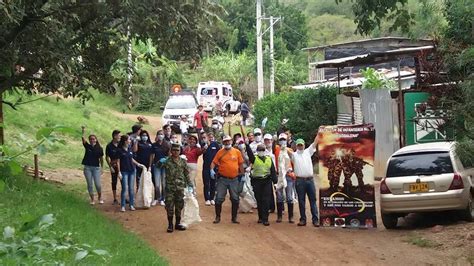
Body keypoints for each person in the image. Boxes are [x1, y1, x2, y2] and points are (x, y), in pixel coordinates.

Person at [210, 135, 244, 224]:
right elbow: (214, 162)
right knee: (219, 199)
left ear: (231, 141)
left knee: (235, 199)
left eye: (228, 141)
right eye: (225, 141)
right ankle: (217, 217)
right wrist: (211, 170)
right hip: (222, 179)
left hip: (234, 179)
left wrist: (243, 174)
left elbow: (240, 164)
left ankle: (234, 218)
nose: (227, 143)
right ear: (223, 142)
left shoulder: (237, 152)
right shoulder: (220, 152)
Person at [161, 143, 193, 233]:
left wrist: (190, 185)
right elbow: (158, 167)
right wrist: (160, 162)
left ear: (180, 151)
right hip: (170, 188)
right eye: (174, 150)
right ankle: (170, 224)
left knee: (179, 206)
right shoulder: (167, 161)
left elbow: (186, 174)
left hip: (180, 187)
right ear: (171, 151)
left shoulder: (183, 161)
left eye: (177, 150)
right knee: (169, 206)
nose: (175, 152)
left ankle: (177, 223)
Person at [291, 136, 320, 227]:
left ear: (304, 145)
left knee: (313, 200)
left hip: (310, 180)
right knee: (301, 201)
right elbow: (285, 151)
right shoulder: (294, 155)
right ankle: (303, 219)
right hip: (300, 181)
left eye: (301, 145)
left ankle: (315, 219)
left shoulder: (308, 151)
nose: (300, 146)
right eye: (298, 145)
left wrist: (319, 132)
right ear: (296, 146)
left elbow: (315, 142)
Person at [246, 144, 277, 226]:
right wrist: (247, 145)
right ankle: (260, 217)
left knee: (266, 200)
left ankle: (265, 219)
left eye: (262, 150)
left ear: (265, 151)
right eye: (259, 150)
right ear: (257, 151)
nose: (261, 152)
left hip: (267, 181)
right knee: (259, 200)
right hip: (257, 181)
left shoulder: (269, 159)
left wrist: (275, 183)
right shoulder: (254, 159)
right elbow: (250, 154)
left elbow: (273, 171)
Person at [117, 135, 144, 212]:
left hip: (132, 170)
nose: (130, 141)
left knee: (131, 189)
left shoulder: (129, 149)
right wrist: (119, 172)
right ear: (125, 141)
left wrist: (138, 164)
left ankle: (131, 205)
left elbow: (131, 158)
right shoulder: (119, 151)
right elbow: (118, 162)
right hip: (124, 171)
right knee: (124, 188)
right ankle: (122, 205)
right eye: (129, 140)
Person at [275, 133, 295, 223]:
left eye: (284, 139)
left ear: (287, 140)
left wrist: (294, 172)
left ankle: (291, 217)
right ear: (278, 141)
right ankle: (279, 216)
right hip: (279, 175)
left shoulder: (290, 150)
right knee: (279, 196)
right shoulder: (275, 149)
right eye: (281, 139)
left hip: (288, 175)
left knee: (289, 196)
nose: (282, 141)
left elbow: (294, 161)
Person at [81, 126, 104, 205]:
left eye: (93, 139)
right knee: (90, 184)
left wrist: (102, 168)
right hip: (87, 167)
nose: (92, 140)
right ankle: (92, 199)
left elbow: (101, 159)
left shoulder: (99, 148)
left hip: (96, 168)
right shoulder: (87, 146)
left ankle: (100, 196)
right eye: (90, 139)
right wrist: (83, 131)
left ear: (96, 140)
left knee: (98, 184)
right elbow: (83, 140)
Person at [150, 130, 170, 206]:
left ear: (164, 135)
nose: (160, 136)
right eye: (159, 134)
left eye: (161, 134)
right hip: (156, 166)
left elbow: (169, 155)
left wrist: (166, 160)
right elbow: (151, 155)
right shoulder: (154, 145)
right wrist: (150, 165)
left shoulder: (167, 144)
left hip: (164, 166)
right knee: (157, 184)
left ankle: (163, 199)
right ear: (157, 136)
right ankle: (157, 198)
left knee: (164, 183)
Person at [202, 132, 220, 206]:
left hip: (214, 167)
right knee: (206, 183)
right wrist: (205, 147)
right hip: (206, 166)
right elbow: (202, 152)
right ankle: (207, 199)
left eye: (212, 137)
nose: (211, 138)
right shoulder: (204, 145)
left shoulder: (216, 145)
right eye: (209, 137)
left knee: (213, 183)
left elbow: (219, 154)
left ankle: (212, 198)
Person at [106, 129, 122, 205]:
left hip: (122, 165)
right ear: (114, 136)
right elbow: (107, 157)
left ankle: (124, 196)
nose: (120, 137)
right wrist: (110, 166)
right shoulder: (109, 146)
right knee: (114, 182)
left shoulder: (121, 144)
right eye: (119, 135)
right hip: (114, 166)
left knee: (123, 182)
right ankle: (115, 198)